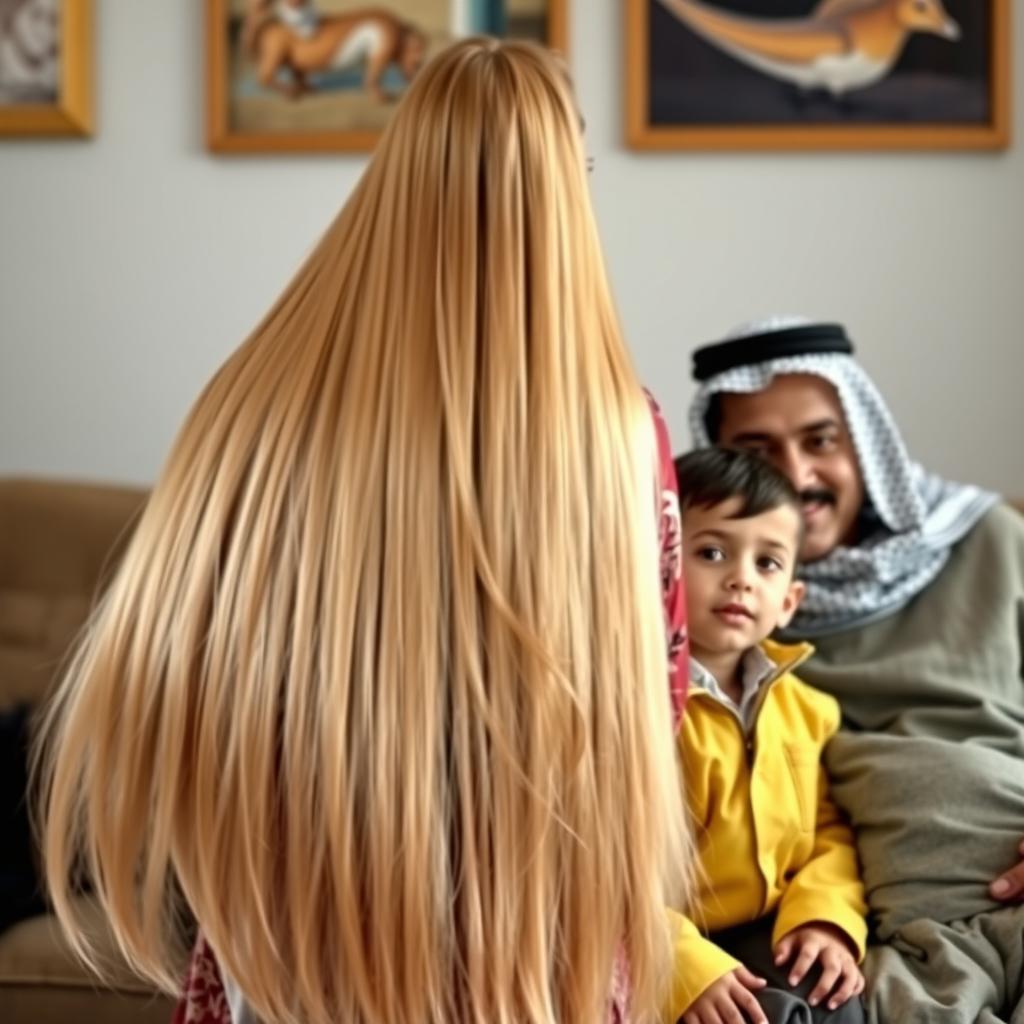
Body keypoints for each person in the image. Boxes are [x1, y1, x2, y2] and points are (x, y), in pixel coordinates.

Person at [35, 38, 690, 1024]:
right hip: (532, 954)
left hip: (291, 931)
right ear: (567, 188)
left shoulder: (246, 406)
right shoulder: (619, 436)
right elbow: (659, 701)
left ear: (396, 172)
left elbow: (178, 674)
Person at [686, 315, 1024, 1023]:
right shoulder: (722, 621)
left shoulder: (990, 541)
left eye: (821, 441)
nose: (799, 476)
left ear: (864, 441)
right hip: (884, 928)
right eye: (758, 450)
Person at [669, 447, 866, 1024]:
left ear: (789, 601)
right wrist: (680, 964)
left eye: (768, 564)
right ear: (659, 564)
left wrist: (825, 917)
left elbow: (828, 831)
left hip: (770, 927)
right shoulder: (633, 708)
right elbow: (594, 866)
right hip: (663, 938)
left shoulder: (808, 710)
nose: (740, 579)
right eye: (710, 552)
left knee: (836, 999)